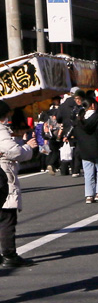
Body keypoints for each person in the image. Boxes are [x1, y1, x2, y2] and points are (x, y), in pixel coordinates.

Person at [0, 101, 35, 269]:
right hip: (3, 176)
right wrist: (28, 147)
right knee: (7, 217)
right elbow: (15, 152)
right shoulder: (1, 130)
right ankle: (9, 254)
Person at [72, 89, 98, 203]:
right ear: (93, 105)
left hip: (84, 148)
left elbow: (76, 133)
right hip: (96, 146)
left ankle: (89, 195)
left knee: (88, 173)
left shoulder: (79, 118)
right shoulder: (97, 117)